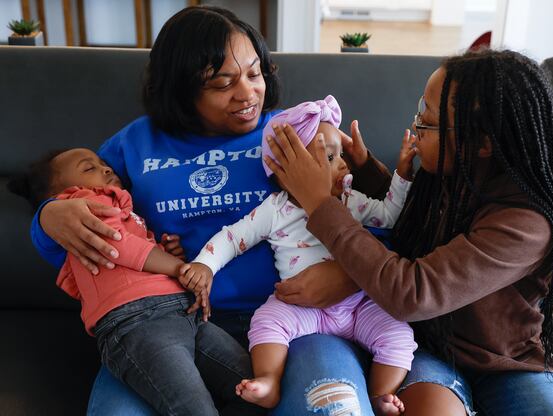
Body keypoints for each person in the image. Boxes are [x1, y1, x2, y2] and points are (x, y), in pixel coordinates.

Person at [29, 5, 384, 415]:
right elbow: (71, 224)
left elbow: (371, 215)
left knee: (333, 408)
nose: (247, 93)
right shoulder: (135, 144)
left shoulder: (293, 133)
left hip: (297, 322)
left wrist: (349, 274)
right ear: (180, 89)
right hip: (158, 324)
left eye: (255, 74)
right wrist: (47, 217)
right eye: (222, 83)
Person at [263, 49, 553, 416]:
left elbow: (414, 292)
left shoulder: (526, 223)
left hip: (508, 366)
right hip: (428, 350)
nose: (415, 126)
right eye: (420, 109)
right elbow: (410, 221)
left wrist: (320, 204)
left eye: (428, 121)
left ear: (482, 144)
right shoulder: (447, 174)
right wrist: (365, 169)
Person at [179, 95, 418, 415]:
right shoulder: (276, 210)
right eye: (331, 157)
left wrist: (402, 175)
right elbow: (234, 237)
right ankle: (268, 381)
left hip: (360, 303)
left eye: (341, 155)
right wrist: (205, 265)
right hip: (301, 306)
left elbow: (389, 216)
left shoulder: (351, 201)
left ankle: (380, 396)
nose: (344, 164)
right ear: (288, 171)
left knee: (399, 332)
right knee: (266, 321)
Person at [9, 148, 262, 415]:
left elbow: (135, 253)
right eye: (88, 169)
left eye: (104, 164)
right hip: (140, 323)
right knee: (199, 406)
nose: (106, 169)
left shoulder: (126, 211)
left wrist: (166, 253)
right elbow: (117, 245)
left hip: (184, 312)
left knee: (254, 391)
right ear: (60, 195)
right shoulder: (83, 202)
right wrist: (181, 268)